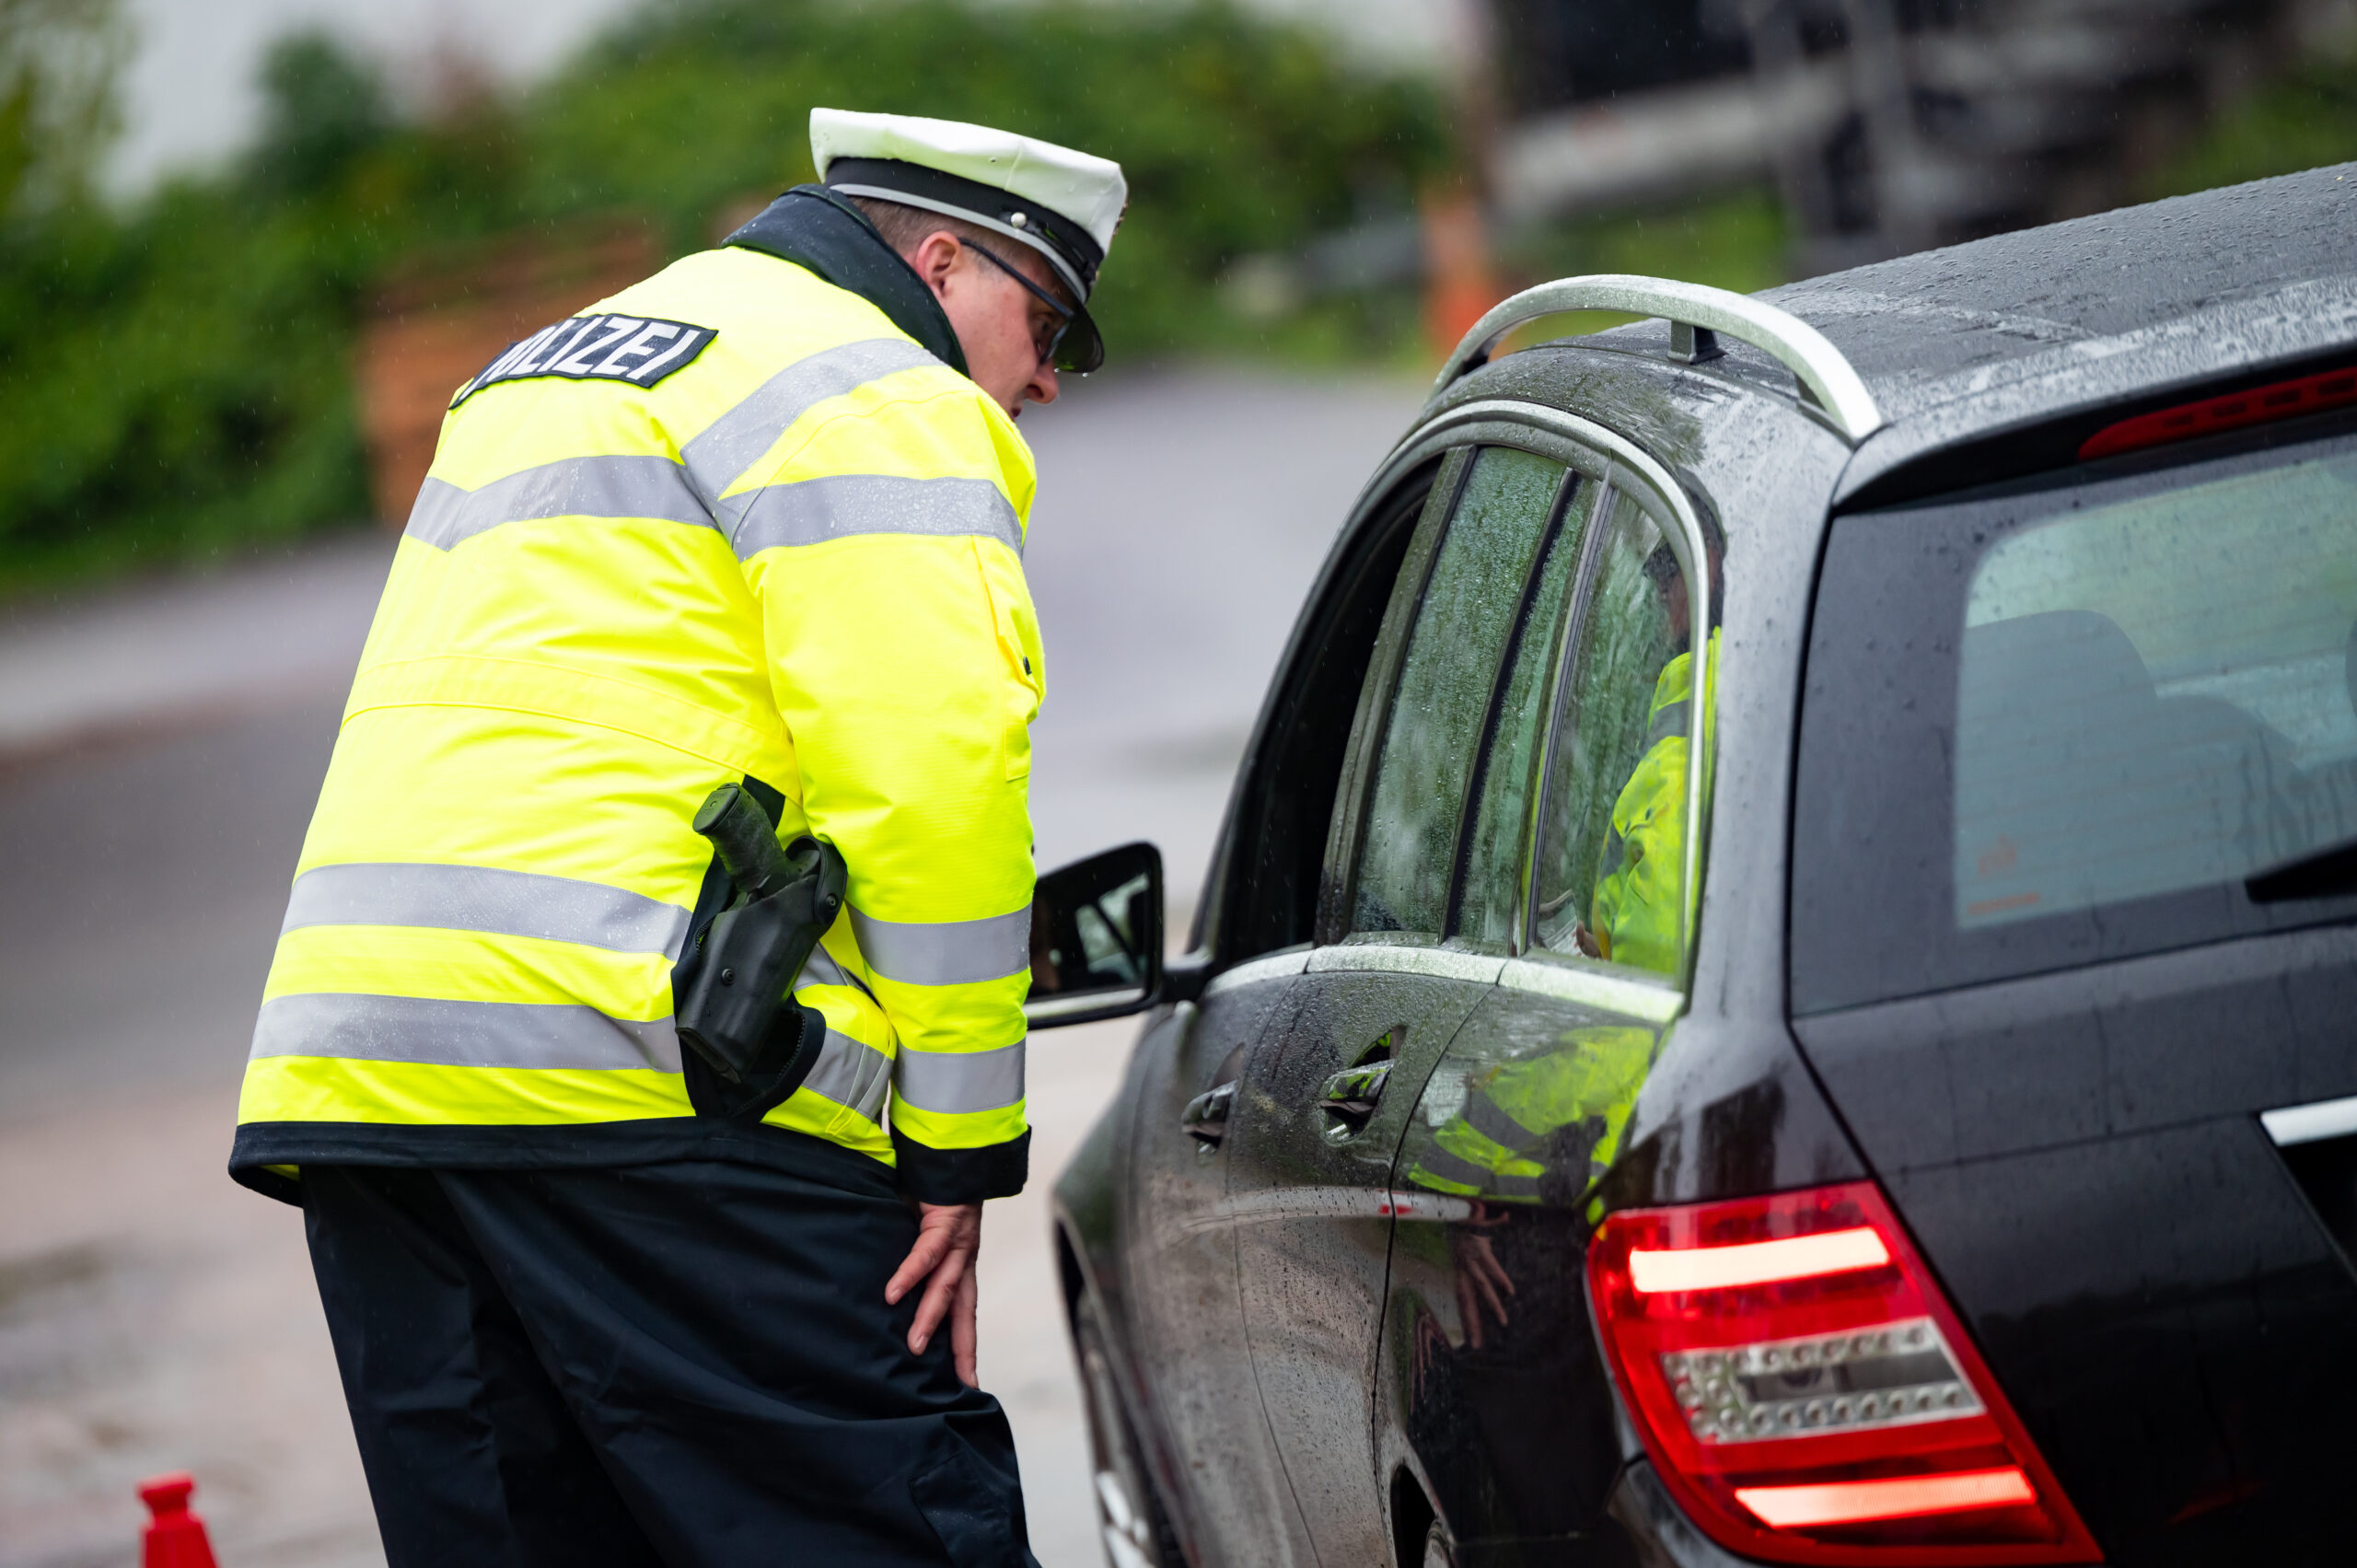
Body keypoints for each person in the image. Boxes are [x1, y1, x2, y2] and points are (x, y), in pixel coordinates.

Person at [228, 109, 1125, 1568]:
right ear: (945, 262)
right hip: (636, 1073)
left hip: (362, 1086)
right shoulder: (873, 386)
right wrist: (959, 1146)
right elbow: (934, 769)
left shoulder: (557, 356)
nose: (1047, 383)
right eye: (1049, 327)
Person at [1572, 524, 1724, 975]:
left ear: (1710, 561)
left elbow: (1659, 944)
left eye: (1668, 560)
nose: (1653, 579)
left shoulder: (1701, 701)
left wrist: (1614, 964)